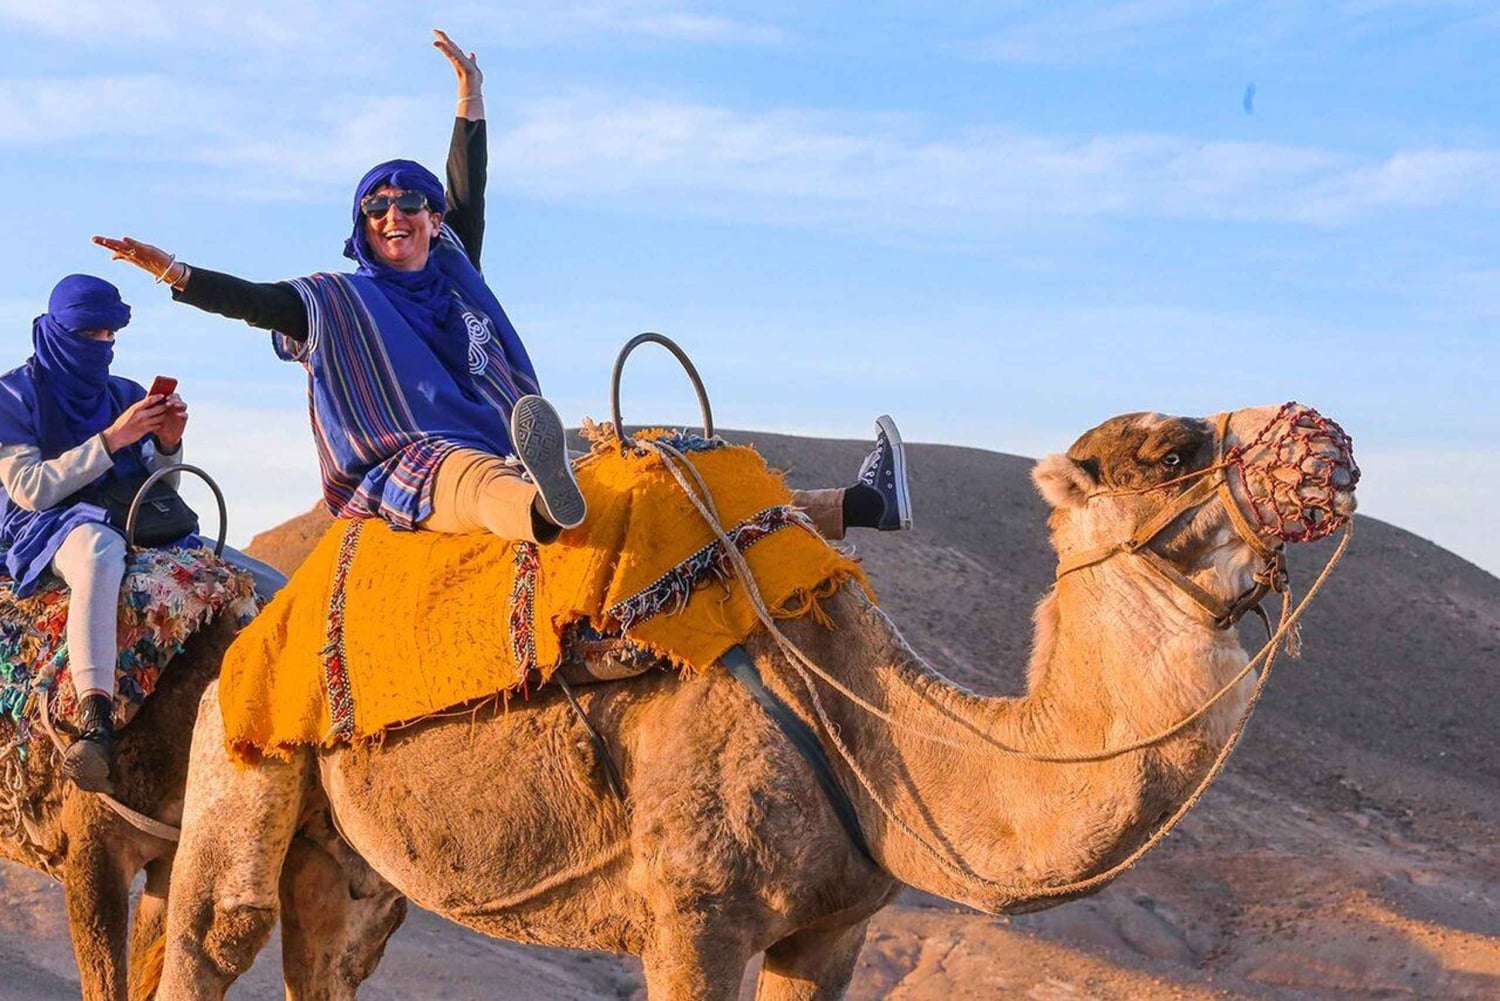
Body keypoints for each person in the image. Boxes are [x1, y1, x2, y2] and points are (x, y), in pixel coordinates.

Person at [94, 29, 911, 547]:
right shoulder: (336, 303)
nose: (396, 214)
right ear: (361, 225)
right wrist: (176, 272)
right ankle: (540, 516)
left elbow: (468, 189)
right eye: (376, 207)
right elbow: (255, 301)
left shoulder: (454, 263)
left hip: (513, 436)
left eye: (410, 201)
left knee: (662, 483)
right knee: (468, 478)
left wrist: (470, 98)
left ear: (429, 216)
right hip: (413, 460)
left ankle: (859, 507)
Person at [0, 275, 192, 792]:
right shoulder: (13, 395)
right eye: (90, 335)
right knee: (98, 551)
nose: (103, 346)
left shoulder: (123, 393)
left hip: (130, 512)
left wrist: (168, 444)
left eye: (110, 335)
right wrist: (113, 438)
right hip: (49, 522)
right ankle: (95, 719)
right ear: (58, 331)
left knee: (252, 578)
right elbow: (30, 488)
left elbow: (162, 487)